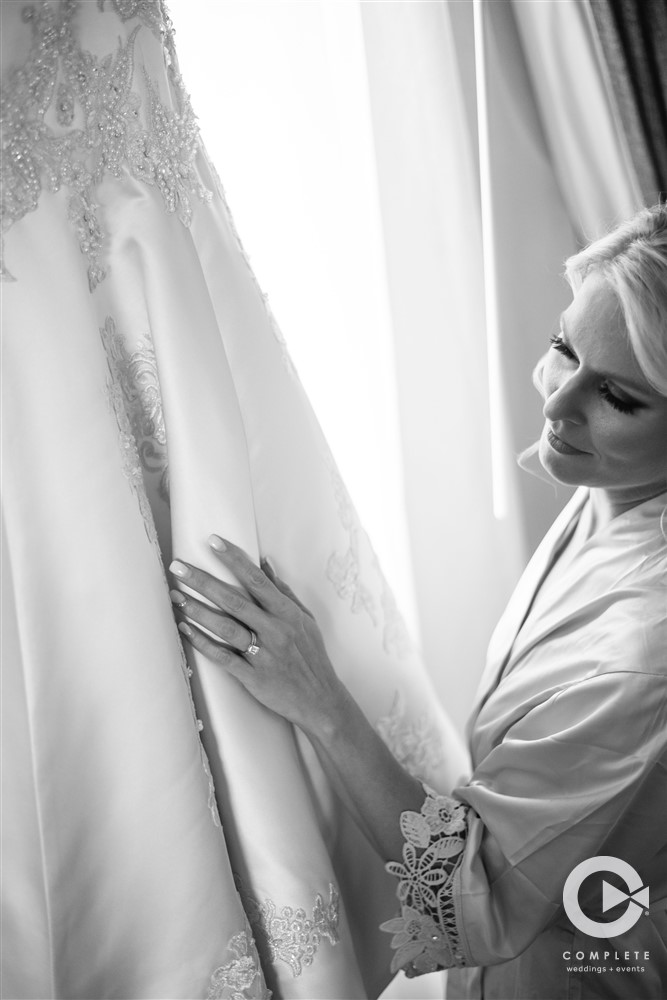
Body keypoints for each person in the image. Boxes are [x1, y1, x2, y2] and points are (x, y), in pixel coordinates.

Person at [170, 203, 667, 1000]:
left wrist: (322, 702)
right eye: (563, 348)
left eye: (616, 396)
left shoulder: (645, 653)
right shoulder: (617, 487)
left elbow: (477, 909)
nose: (555, 404)